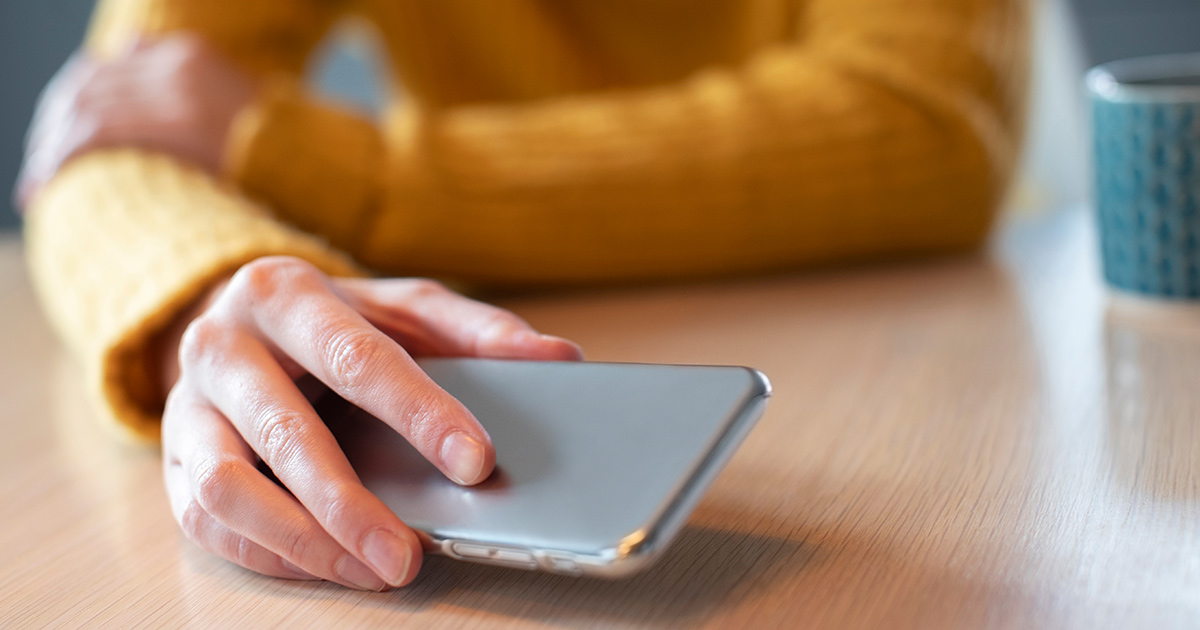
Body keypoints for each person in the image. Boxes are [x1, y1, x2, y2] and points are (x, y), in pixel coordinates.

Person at [17, 0, 1029, 591]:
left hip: (929, 374)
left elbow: (928, 124)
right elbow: (110, 124)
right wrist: (218, 295)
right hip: (465, 345)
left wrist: (334, 167)